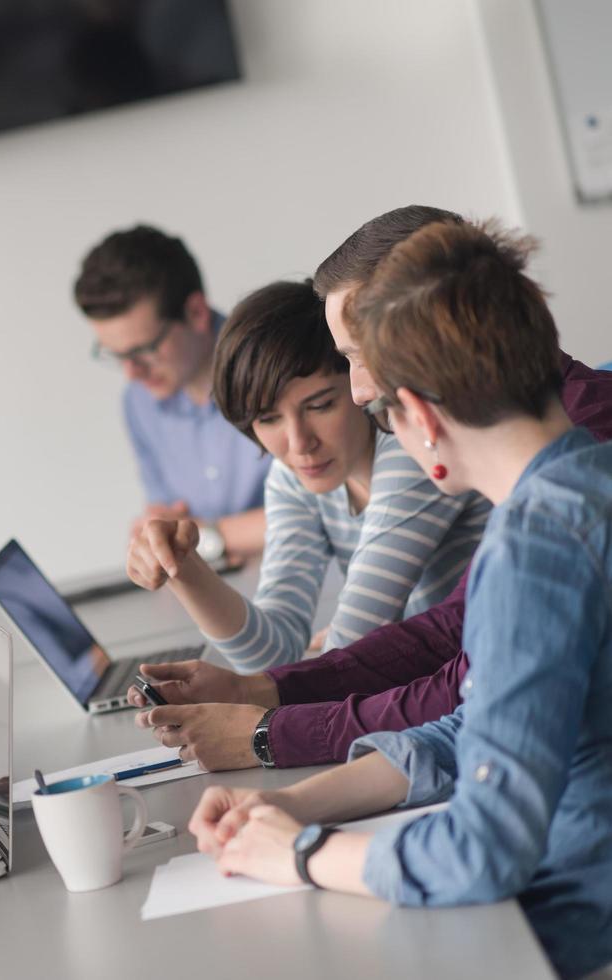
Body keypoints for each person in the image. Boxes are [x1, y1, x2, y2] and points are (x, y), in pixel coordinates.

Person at [189, 220, 612, 980]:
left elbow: (481, 852)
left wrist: (298, 855)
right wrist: (302, 807)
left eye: (374, 410)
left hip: (567, 930)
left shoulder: (535, 547)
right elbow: (480, 719)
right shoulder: (580, 484)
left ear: (416, 414)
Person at [123, 206, 612, 773]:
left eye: (357, 356)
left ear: (425, 327)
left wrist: (269, 730)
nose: (359, 391)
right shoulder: (519, 445)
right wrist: (260, 691)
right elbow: (453, 631)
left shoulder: (567, 453)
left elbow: (469, 682)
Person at [126, 279, 488, 673]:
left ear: (358, 381)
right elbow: (273, 652)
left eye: (320, 406)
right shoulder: (293, 477)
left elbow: (343, 659)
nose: (298, 443)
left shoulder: (410, 447)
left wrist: (318, 665)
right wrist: (183, 567)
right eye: (268, 419)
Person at [73, 225, 270, 559]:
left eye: (144, 350)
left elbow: (332, 506)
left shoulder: (279, 367)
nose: (131, 372)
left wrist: (205, 537)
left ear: (195, 313)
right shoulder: (139, 402)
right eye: (116, 355)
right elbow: (168, 516)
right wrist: (158, 532)